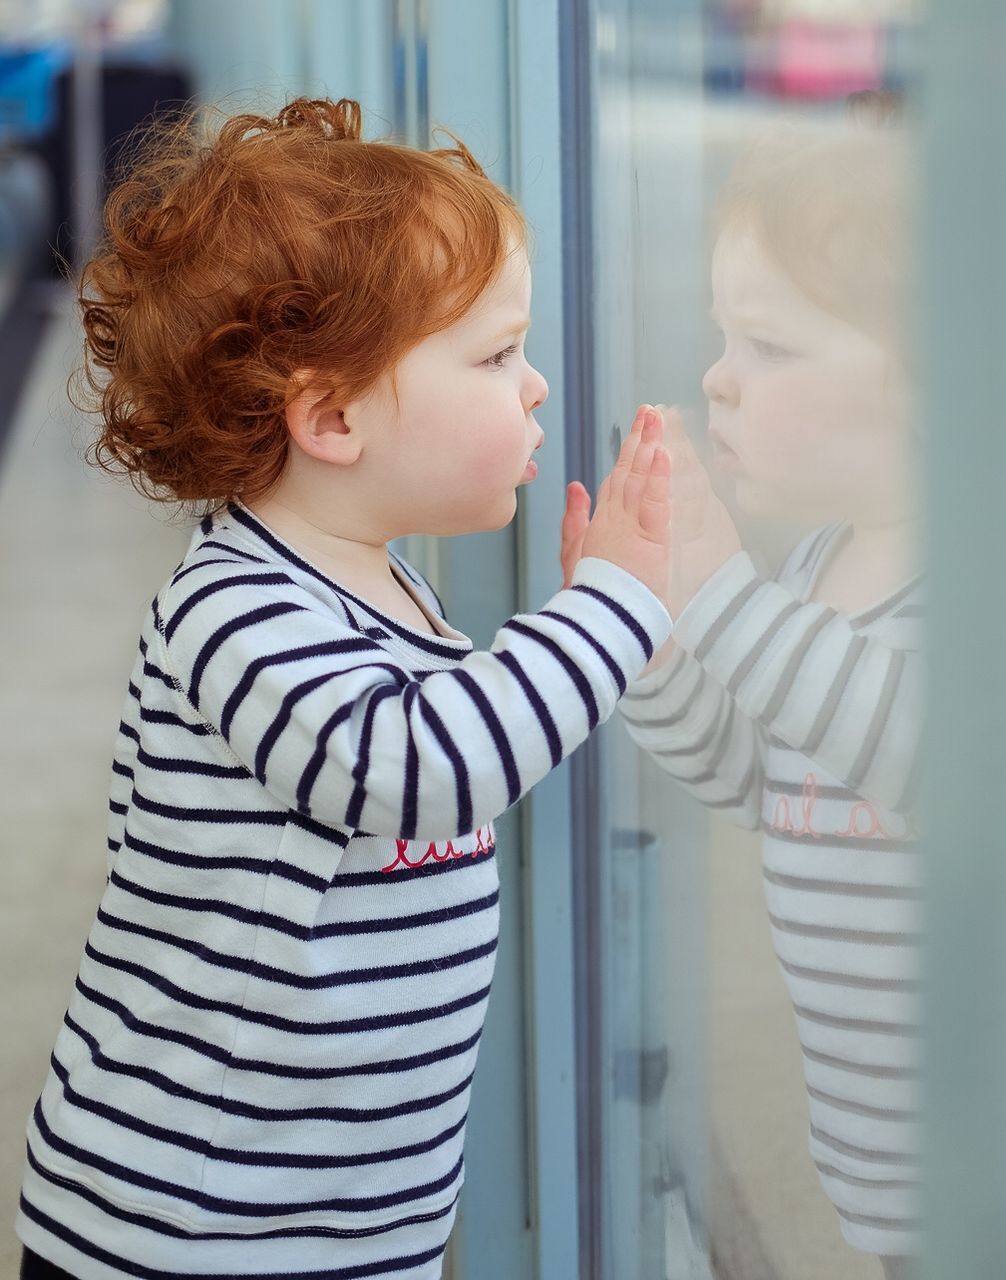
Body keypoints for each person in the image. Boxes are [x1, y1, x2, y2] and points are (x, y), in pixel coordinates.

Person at [15, 96, 674, 1280]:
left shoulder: (373, 586)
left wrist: (584, 637)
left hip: (340, 1206)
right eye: (494, 355)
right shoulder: (238, 615)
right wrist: (609, 610)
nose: (534, 389)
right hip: (193, 1219)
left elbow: (464, 731)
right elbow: (426, 766)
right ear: (330, 415)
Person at [562, 102, 922, 1279]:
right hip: (877, 1157)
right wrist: (654, 644)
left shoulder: (995, 580)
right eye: (723, 337)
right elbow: (762, 776)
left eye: (767, 345)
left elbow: (916, 745)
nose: (716, 377)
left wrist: (719, 590)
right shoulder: (819, 564)